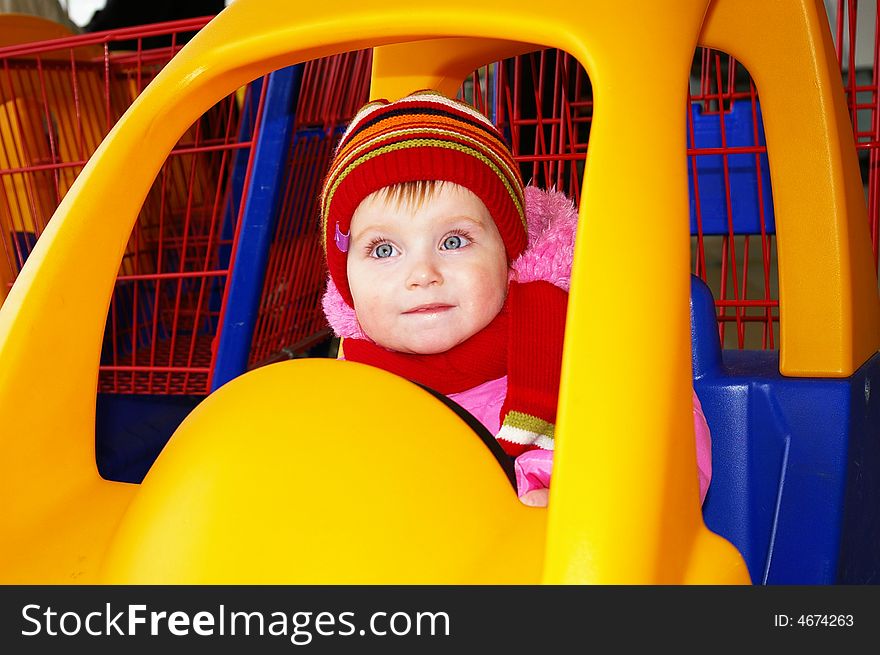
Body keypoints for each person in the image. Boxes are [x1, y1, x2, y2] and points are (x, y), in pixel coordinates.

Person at [320, 91, 712, 507]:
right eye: (384, 250)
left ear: (510, 255)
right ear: (346, 281)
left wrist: (556, 496)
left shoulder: (577, 347)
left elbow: (663, 435)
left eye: (454, 241)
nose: (422, 275)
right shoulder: (346, 390)